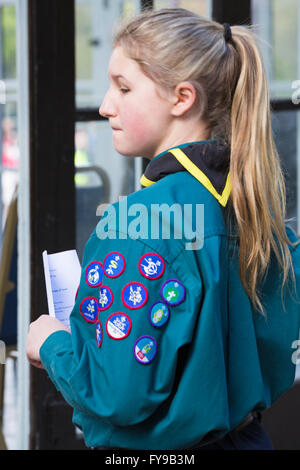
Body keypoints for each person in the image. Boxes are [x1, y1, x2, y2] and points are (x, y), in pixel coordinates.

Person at [26, 8, 300, 450]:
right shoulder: (254, 207)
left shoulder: (142, 222)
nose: (104, 105)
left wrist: (54, 344)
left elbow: (117, 391)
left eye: (124, 87)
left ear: (181, 98)